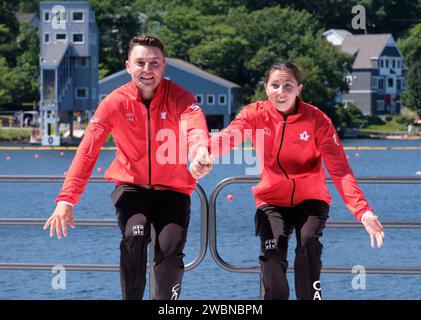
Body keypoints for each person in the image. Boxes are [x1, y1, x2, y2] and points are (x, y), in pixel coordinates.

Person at [43, 35, 211, 300]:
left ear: (164, 67)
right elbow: (88, 149)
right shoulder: (115, 102)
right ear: (128, 66)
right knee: (135, 237)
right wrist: (67, 198)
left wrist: (200, 151)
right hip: (132, 189)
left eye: (154, 63)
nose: (147, 69)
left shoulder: (180, 97)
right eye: (140, 62)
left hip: (174, 191)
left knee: (169, 252)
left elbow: (196, 127)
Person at [209, 61, 384, 300]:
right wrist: (204, 153)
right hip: (271, 200)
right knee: (271, 255)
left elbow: (340, 170)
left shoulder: (317, 120)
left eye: (288, 86)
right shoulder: (255, 114)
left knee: (308, 244)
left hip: (311, 200)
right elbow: (229, 137)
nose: (281, 92)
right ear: (266, 88)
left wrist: (363, 212)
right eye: (275, 85)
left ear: (299, 89)